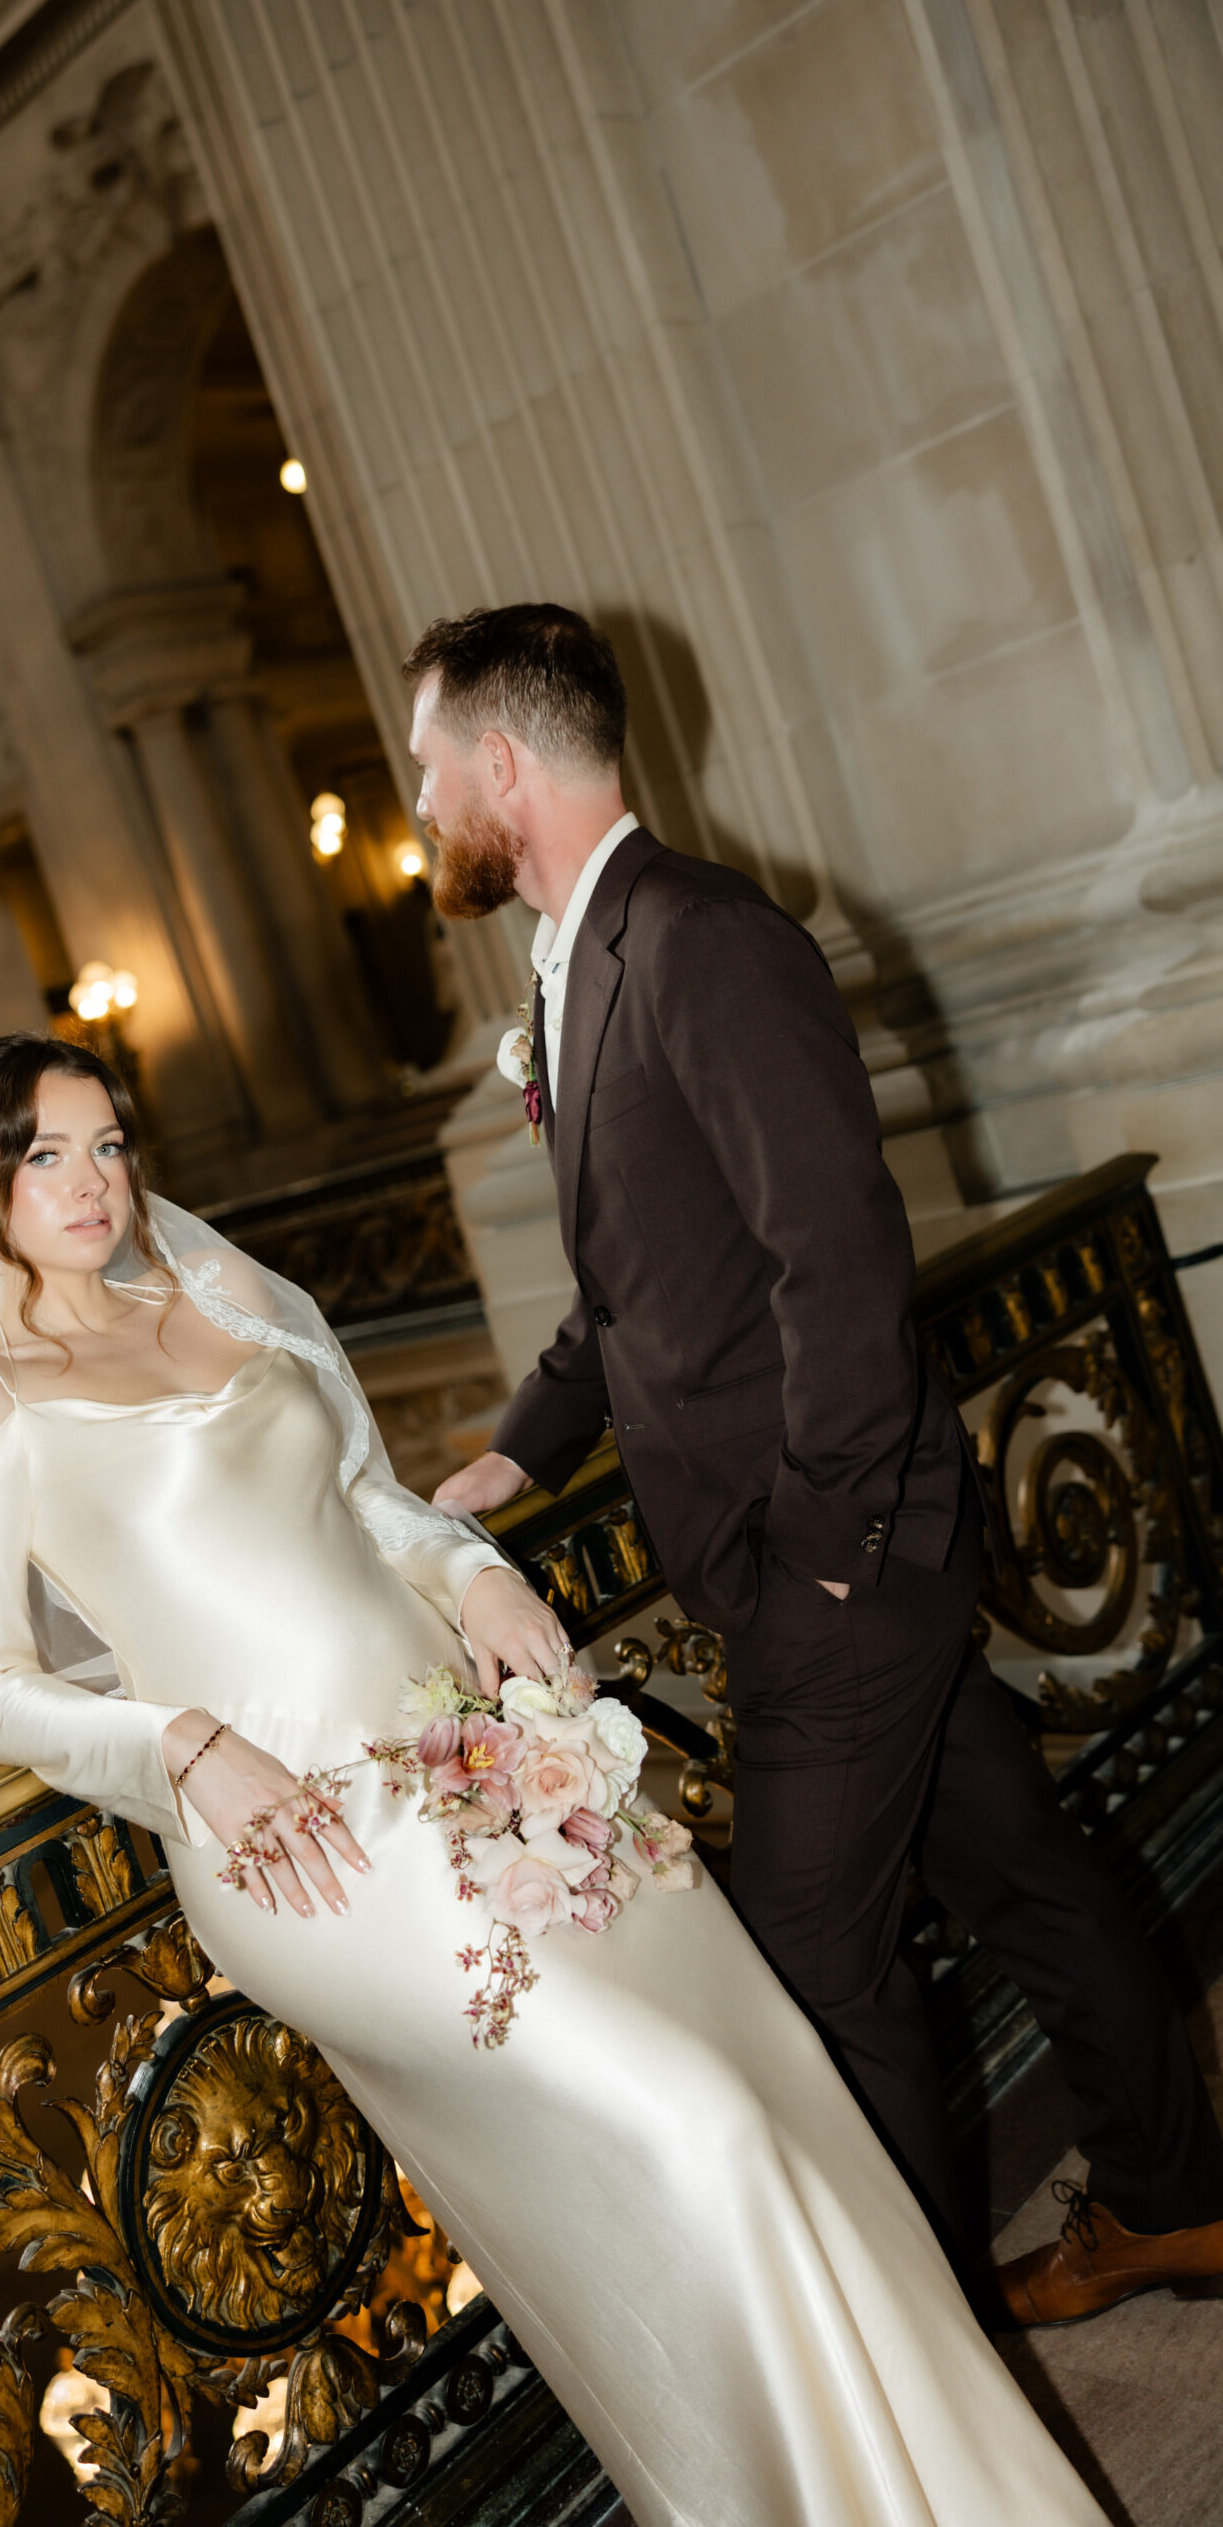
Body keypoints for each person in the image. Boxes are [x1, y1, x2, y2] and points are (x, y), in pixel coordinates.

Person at [0, 1029, 1105, 2525]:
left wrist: (470, 1575)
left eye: (111, 1146)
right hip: (309, 1846)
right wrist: (181, 1748)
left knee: (770, 2085)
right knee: (691, 2123)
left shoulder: (218, 1292)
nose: (95, 1185)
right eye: (47, 1160)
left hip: (478, 1749)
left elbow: (363, 1501)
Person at [425, 602, 1223, 2329]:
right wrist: (514, 1453)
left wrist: (837, 1554)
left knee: (807, 1967)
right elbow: (642, 1285)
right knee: (1018, 1865)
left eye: (426, 767)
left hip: (837, 1562)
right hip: (814, 1558)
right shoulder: (578, 965)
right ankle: (1176, 2197)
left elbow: (837, 1260)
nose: (417, 804)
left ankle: (934, 2386)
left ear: (501, 763)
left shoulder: (701, 937)